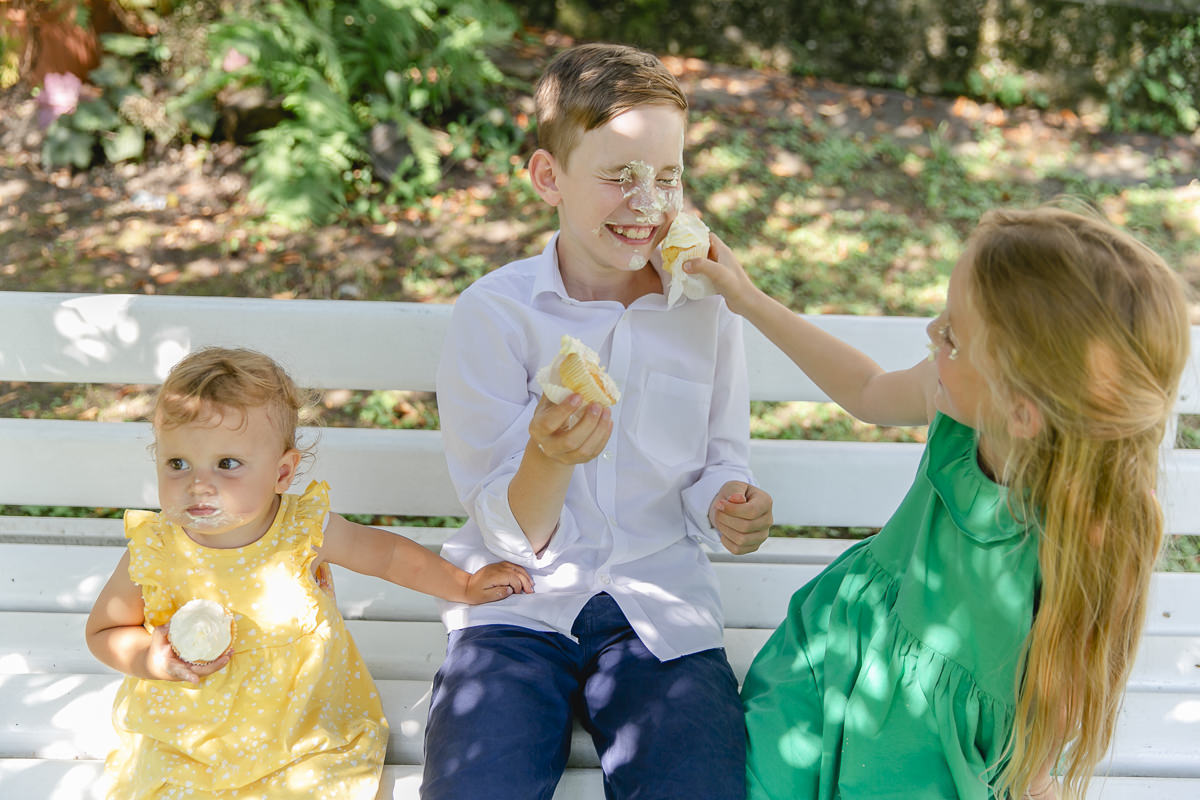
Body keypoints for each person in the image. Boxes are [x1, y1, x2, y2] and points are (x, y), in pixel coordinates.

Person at [683, 204, 1191, 799]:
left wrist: (1034, 775)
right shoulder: (952, 399)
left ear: (1021, 410)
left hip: (940, 735)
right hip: (836, 653)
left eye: (952, 334)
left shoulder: (1098, 520)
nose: (931, 332)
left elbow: (1074, 662)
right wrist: (747, 298)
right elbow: (867, 390)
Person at [424, 42, 774, 800]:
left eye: (668, 177)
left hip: (661, 612)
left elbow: (719, 458)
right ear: (548, 177)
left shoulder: (707, 309)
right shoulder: (497, 315)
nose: (649, 203)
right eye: (621, 177)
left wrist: (727, 501)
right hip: (518, 610)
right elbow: (505, 528)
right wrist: (547, 459)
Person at [85, 346, 532, 800]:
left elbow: (388, 556)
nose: (199, 483)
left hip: (303, 730)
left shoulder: (302, 531)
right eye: (177, 464)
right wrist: (149, 658)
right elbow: (104, 629)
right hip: (187, 738)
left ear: (282, 472)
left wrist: (465, 585)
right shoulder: (158, 549)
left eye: (227, 464)